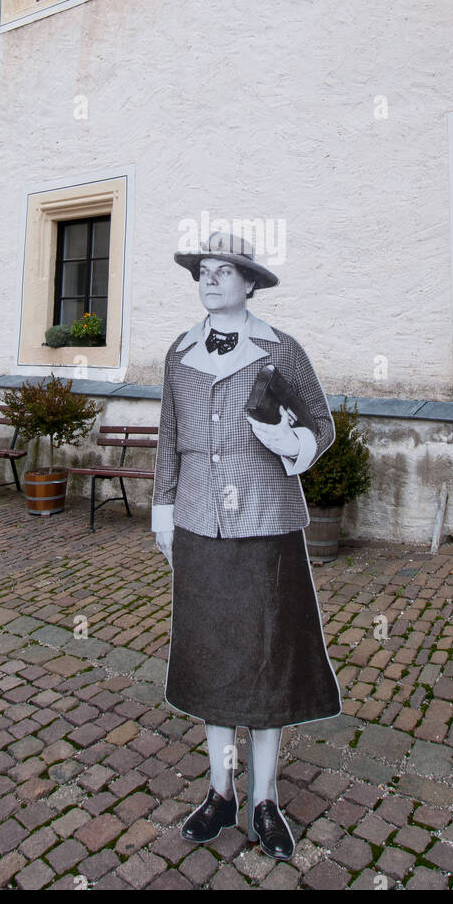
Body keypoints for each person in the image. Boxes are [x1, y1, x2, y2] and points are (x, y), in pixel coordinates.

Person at [152, 229, 341, 860]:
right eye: (202, 271)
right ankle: (219, 792)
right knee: (211, 662)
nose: (209, 280)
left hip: (265, 525)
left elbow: (322, 424)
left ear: (249, 284)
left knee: (266, 665)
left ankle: (265, 800)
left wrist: (293, 445)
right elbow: (169, 439)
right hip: (200, 524)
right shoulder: (179, 354)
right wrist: (162, 507)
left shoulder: (278, 351)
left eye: (224, 271)